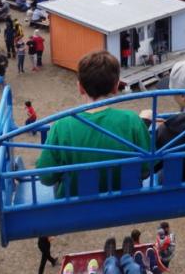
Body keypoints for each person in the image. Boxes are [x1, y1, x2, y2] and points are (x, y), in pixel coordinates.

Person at [36, 51, 150, 197]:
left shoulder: (61, 125)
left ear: (80, 87)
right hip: (123, 200)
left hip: (74, 204)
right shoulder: (132, 120)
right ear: (116, 87)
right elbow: (146, 170)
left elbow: (46, 178)